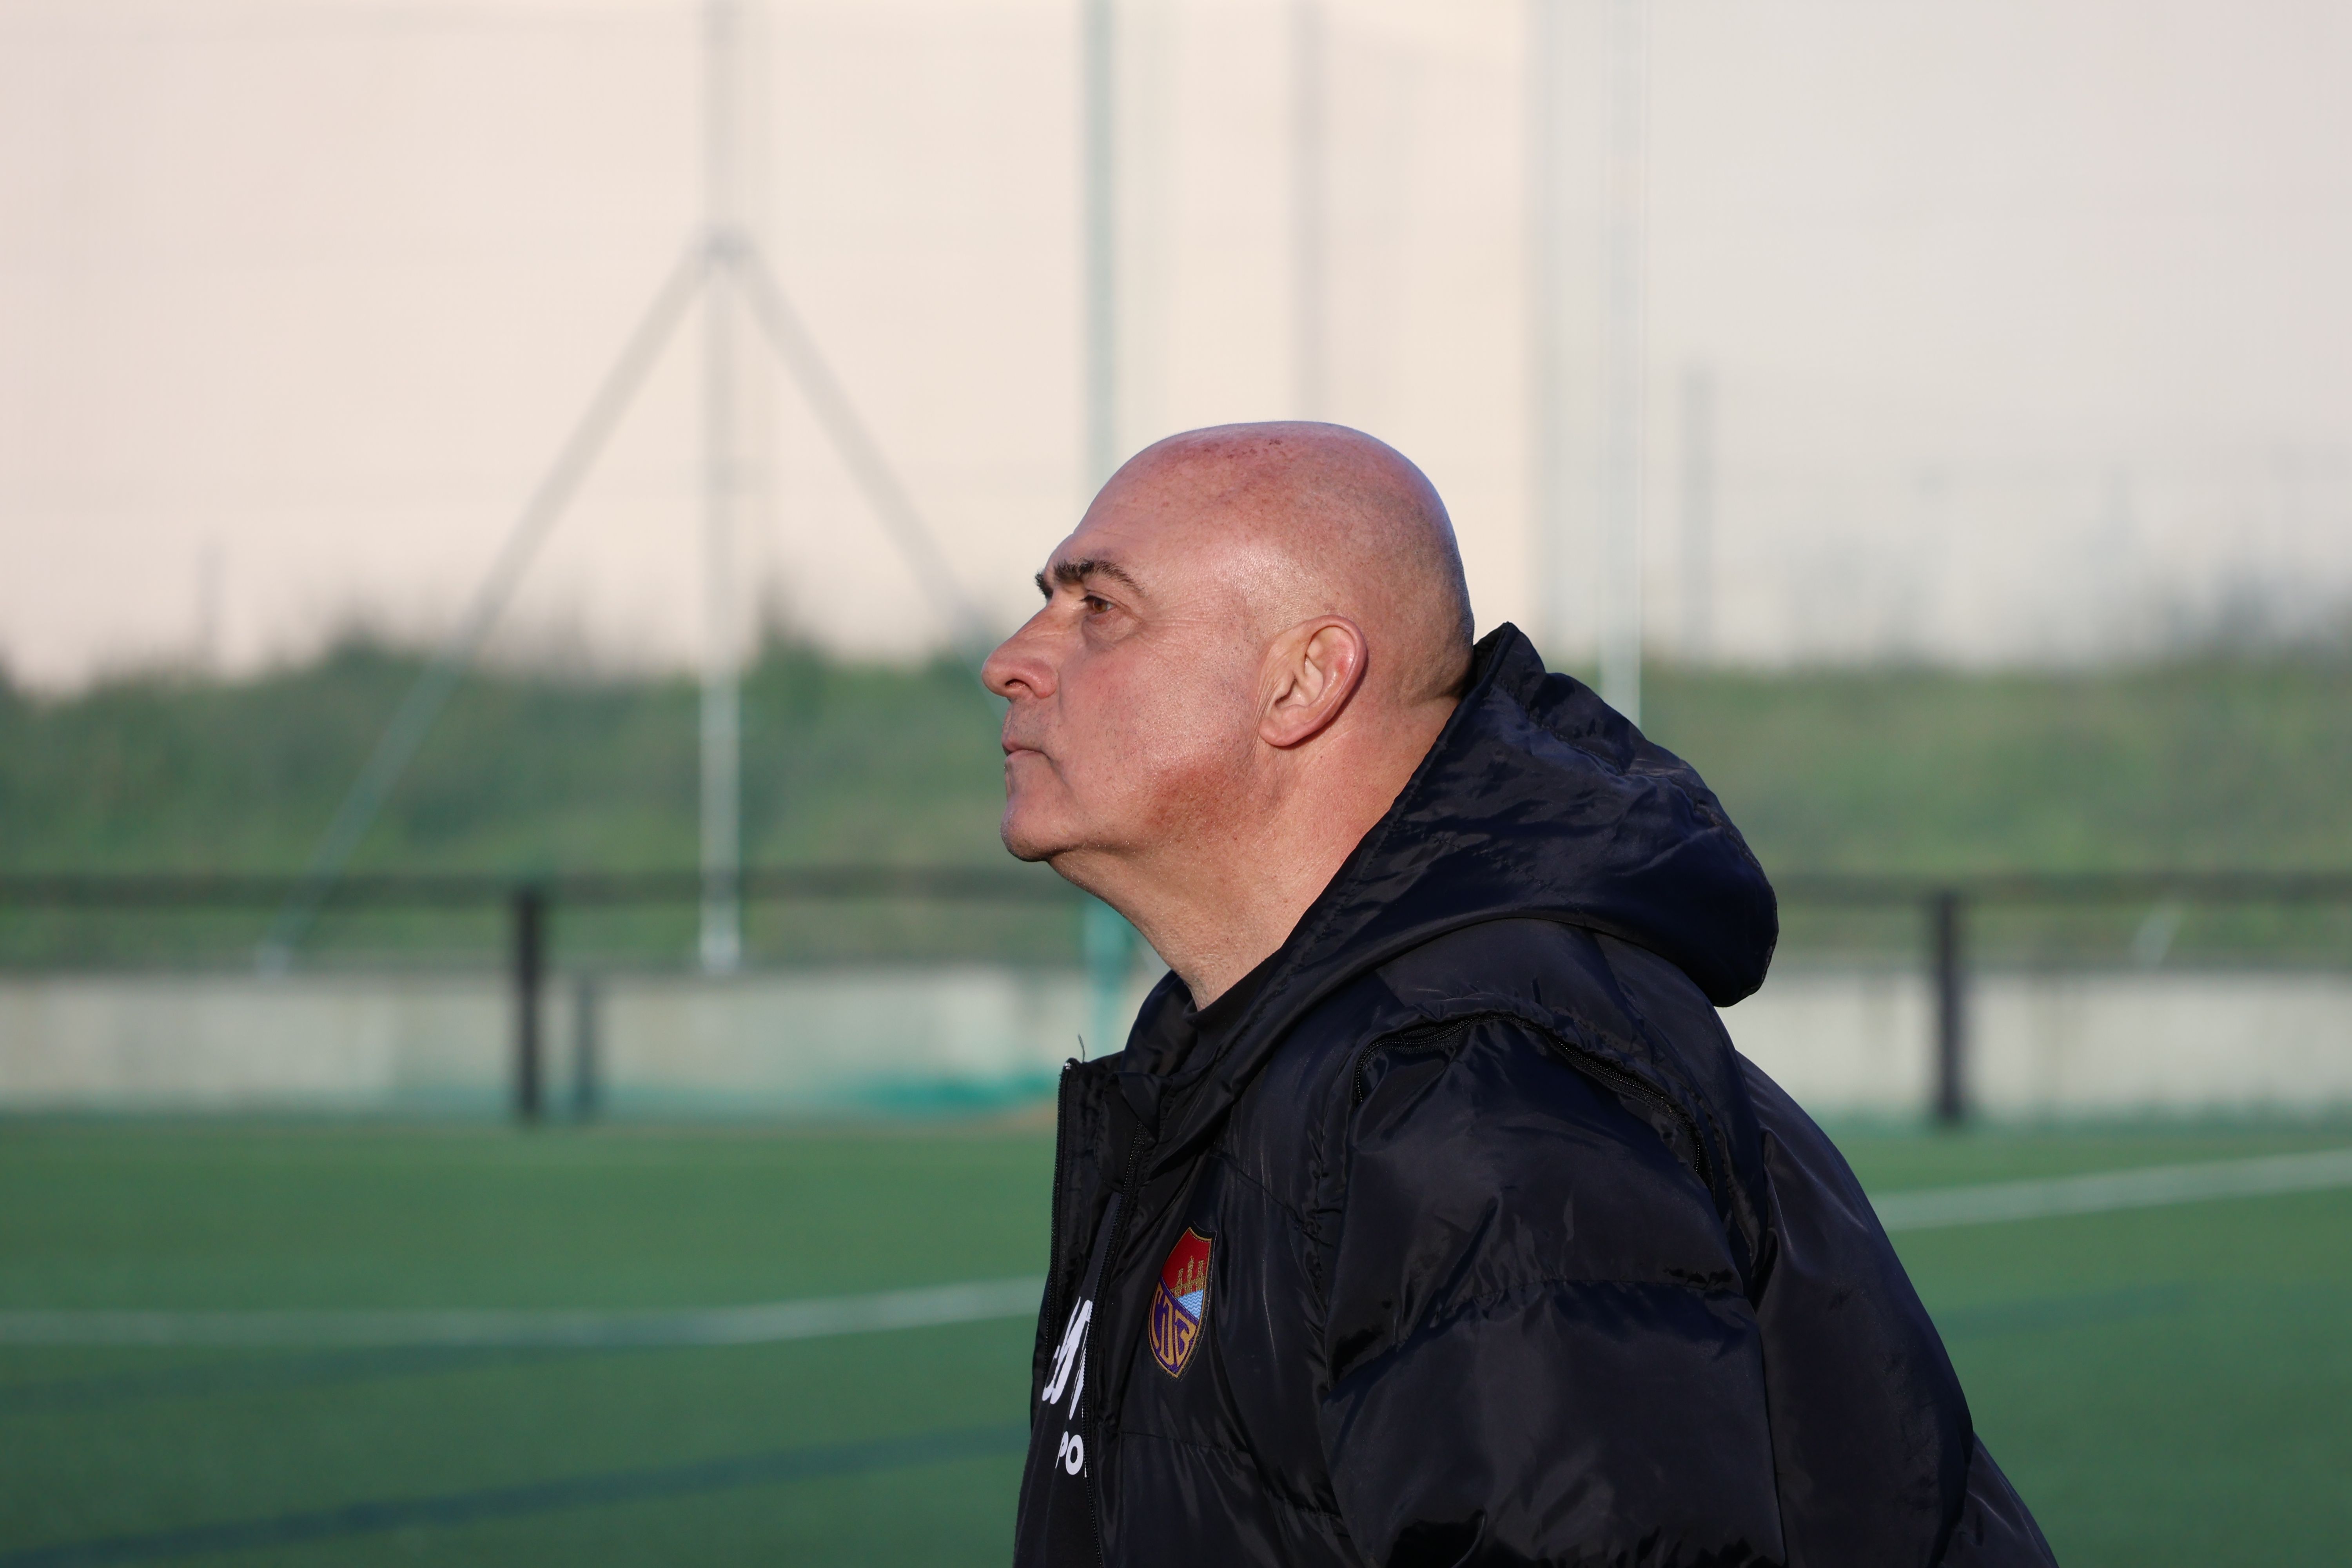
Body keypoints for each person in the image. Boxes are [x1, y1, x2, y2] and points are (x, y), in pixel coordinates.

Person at [984, 422, 2056, 1568]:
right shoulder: (1251, 1053)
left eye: (1099, 608)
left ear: (1303, 680)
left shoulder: (1474, 1090)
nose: (1013, 657)